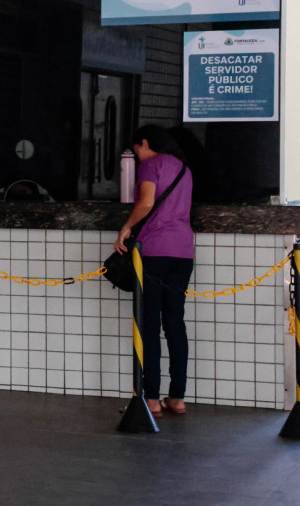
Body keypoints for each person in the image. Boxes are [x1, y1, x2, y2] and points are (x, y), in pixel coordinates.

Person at [113, 125, 194, 417]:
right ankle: (178, 397)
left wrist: (126, 227)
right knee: (175, 322)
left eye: (136, 149)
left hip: (155, 251)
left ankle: (151, 399)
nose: (136, 155)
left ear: (145, 143)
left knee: (149, 324)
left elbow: (146, 203)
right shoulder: (184, 169)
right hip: (184, 252)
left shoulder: (151, 166)